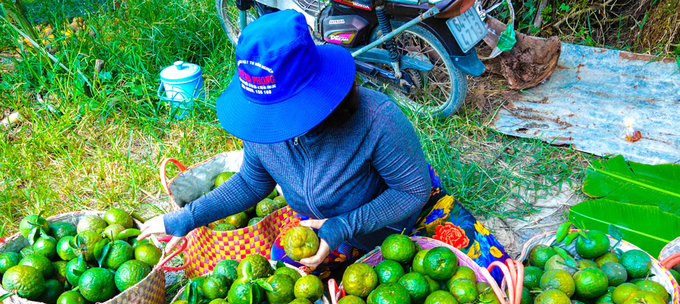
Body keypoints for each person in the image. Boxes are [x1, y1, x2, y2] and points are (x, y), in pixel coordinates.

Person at [139, 9, 509, 276]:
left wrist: (344, 225)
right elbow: (252, 181)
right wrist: (184, 219)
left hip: (404, 215)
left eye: (288, 113)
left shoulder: (377, 117)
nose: (278, 129)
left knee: (495, 277)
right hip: (323, 228)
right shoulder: (263, 128)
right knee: (282, 296)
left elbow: (411, 190)